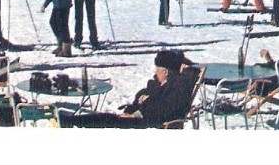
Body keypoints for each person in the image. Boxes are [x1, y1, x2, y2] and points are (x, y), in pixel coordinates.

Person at [59, 50, 199, 128]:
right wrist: (141, 99)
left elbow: (162, 109)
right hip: (143, 117)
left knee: (109, 120)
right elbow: (146, 93)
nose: (155, 74)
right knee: (107, 118)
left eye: (157, 71)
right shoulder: (162, 83)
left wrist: (138, 112)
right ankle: (72, 121)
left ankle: (71, 122)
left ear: (165, 72)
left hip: (150, 123)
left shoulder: (177, 88)